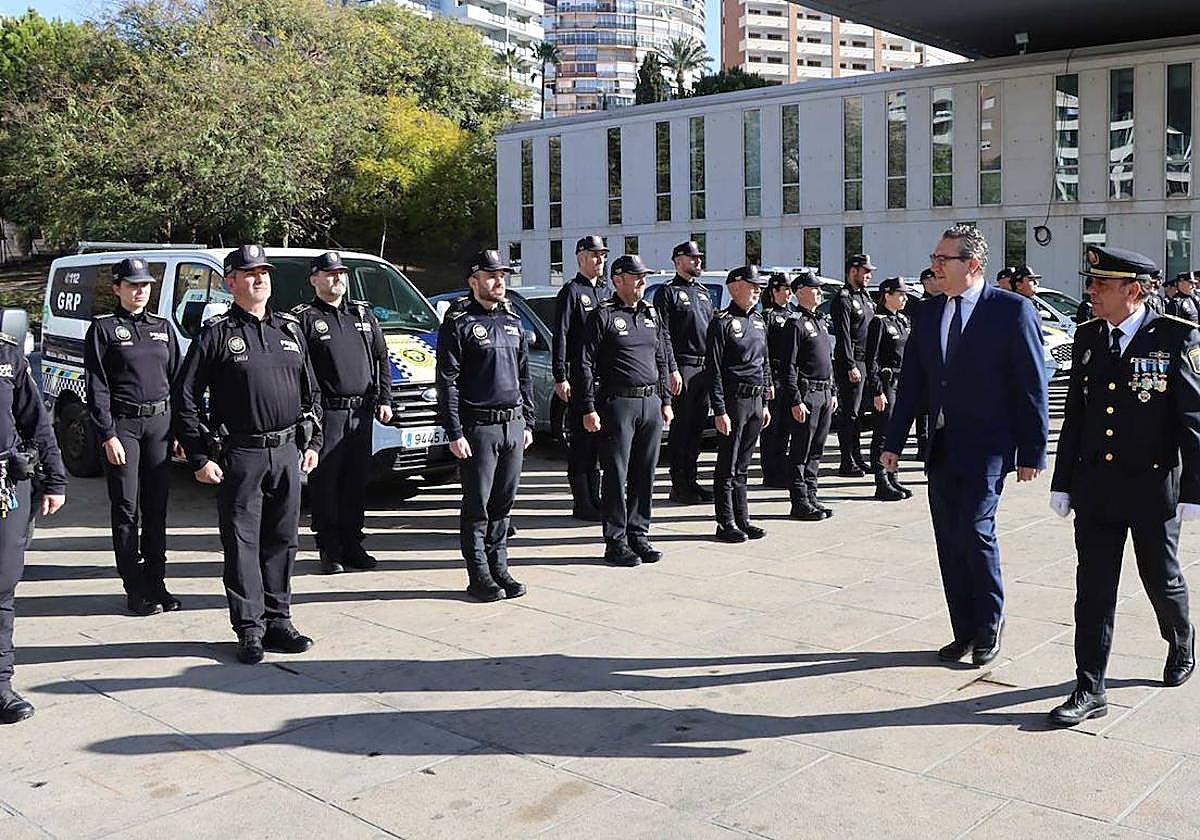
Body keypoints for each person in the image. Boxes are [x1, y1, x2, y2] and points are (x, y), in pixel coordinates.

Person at [882, 225, 1049, 667]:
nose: (935, 266)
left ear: (972, 264)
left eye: (943, 259)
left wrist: (1033, 450)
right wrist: (893, 442)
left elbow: (1032, 384)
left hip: (989, 447)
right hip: (941, 446)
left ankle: (990, 625)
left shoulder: (1011, 311)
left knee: (976, 532)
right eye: (935, 258)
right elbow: (913, 382)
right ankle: (964, 631)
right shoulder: (928, 312)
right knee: (949, 540)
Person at [1046, 245, 1198, 726]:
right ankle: (1090, 686)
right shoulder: (1088, 336)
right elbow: (1075, 416)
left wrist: (1194, 490)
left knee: (1161, 578)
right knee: (1092, 589)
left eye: (1099, 284)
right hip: (1095, 488)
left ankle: (1181, 637)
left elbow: (1193, 422)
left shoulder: (1177, 339)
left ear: (1132, 291)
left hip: (1152, 489)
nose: (1089, 291)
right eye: (1090, 282)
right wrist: (1063, 480)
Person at [174, 244, 322, 665]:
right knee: (242, 545)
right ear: (230, 282)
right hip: (241, 455)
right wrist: (200, 456)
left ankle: (279, 620)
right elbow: (185, 396)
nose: (259, 279)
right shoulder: (217, 334)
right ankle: (249, 629)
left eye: (264, 273)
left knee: (283, 540)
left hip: (287, 453)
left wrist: (312, 444)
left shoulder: (290, 331)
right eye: (249, 273)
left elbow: (312, 393)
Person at [83, 258, 180, 615]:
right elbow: (97, 387)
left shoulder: (162, 328)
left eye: (145, 285)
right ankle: (135, 587)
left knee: (157, 509)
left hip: (160, 425)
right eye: (133, 285)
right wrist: (107, 434)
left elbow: (177, 380)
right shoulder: (105, 330)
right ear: (117, 289)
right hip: (124, 427)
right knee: (127, 509)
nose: (140, 291)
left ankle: (157, 582)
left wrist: (181, 430)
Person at [436, 250, 534, 602]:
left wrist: (528, 421)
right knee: (477, 504)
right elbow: (447, 381)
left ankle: (500, 566)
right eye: (491, 276)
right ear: (474, 280)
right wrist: (455, 431)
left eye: (502, 276)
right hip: (479, 428)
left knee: (503, 504)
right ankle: (478, 574)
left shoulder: (511, 319)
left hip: (512, 423)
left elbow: (523, 374)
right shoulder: (459, 322)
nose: (498, 282)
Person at [291, 252, 392, 575]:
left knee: (355, 481)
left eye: (341, 273)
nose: (338, 278)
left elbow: (381, 358)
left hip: (361, 413)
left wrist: (384, 398)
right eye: (330, 273)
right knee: (326, 484)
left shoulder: (362, 314)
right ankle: (329, 549)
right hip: (328, 414)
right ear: (314, 279)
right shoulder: (304, 318)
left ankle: (353, 543)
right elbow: (301, 371)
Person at [580, 254, 674, 566]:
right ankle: (616, 540)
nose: (642, 282)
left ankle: (639, 534)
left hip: (650, 403)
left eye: (644, 276)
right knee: (616, 474)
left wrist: (666, 401)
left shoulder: (651, 313)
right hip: (618, 403)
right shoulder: (603, 315)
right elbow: (584, 364)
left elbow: (660, 357)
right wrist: (588, 407)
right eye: (636, 277)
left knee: (644, 474)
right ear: (618, 280)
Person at [0, 327, 67, 723]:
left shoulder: (8, 356)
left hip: (5, 487)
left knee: (2, 588)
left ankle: (1, 686)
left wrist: (54, 479)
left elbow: (36, 422)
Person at [707, 266, 770, 543]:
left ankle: (742, 518)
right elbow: (714, 369)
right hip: (734, 401)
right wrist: (719, 409)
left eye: (759, 286)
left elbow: (764, 363)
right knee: (728, 464)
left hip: (756, 400)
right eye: (751, 285)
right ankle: (725, 522)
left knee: (743, 464)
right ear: (734, 288)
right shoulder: (722, 321)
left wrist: (766, 402)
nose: (757, 290)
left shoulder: (758, 321)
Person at [553, 235, 610, 521]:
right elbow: (561, 335)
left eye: (602, 255)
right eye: (594, 255)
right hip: (579, 375)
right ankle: (582, 502)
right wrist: (560, 375)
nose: (599, 260)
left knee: (598, 442)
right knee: (582, 443)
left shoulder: (604, 292)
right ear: (580, 257)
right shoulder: (572, 292)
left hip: (602, 378)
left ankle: (596, 497)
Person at [781, 270, 837, 520]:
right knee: (801, 450)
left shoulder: (819, 321)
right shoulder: (795, 323)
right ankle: (799, 500)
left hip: (824, 392)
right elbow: (788, 365)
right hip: (807, 394)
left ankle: (812, 495)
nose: (819, 292)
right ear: (800, 291)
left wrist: (833, 390)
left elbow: (828, 361)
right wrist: (795, 399)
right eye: (814, 288)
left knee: (817, 449)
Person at [653, 241, 706, 504]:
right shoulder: (668, 292)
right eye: (692, 258)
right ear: (677, 261)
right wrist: (672, 369)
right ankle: (679, 484)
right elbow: (663, 334)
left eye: (699, 257)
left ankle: (692, 481)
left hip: (703, 367)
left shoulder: (703, 293)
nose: (697, 261)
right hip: (682, 366)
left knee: (697, 429)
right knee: (682, 428)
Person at [865, 276, 912, 502]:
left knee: (897, 433)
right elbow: (871, 359)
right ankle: (881, 480)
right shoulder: (879, 322)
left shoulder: (902, 320)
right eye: (900, 294)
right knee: (883, 433)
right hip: (886, 383)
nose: (904, 298)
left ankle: (893, 476)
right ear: (887, 295)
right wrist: (876, 390)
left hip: (903, 383)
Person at [829, 253, 876, 477]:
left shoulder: (866, 297)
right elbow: (844, 335)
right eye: (865, 271)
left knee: (860, 414)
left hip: (866, 361)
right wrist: (849, 365)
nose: (868, 275)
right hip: (853, 360)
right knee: (850, 413)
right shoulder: (843, 298)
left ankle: (857, 456)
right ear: (853, 271)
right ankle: (847, 460)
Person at [760, 273, 796, 488]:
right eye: (785, 289)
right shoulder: (768, 316)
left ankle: (782, 468)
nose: (789, 293)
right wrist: (768, 381)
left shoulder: (792, 315)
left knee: (785, 427)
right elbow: (763, 351)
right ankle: (770, 471)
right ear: (774, 292)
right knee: (772, 428)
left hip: (788, 376)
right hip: (774, 375)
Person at [913, 268, 941, 459]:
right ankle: (923, 445)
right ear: (926, 282)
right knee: (922, 408)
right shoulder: (922, 305)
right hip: (924, 361)